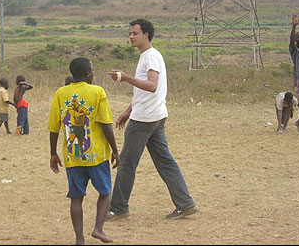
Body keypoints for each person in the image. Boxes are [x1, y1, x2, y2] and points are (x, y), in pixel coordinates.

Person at [106, 18, 198, 220]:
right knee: (165, 161)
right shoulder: (149, 56)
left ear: (146, 34)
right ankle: (185, 203)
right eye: (129, 33)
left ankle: (118, 208)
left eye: (135, 33)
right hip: (154, 115)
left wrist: (124, 77)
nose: (131, 36)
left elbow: (152, 86)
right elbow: (146, 92)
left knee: (127, 163)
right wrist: (129, 110)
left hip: (145, 119)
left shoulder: (150, 57)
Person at [48, 57, 120, 245]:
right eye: (93, 71)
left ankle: (79, 240)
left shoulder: (60, 94)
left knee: (76, 197)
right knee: (105, 193)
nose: (93, 74)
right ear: (87, 74)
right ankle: (98, 228)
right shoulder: (97, 92)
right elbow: (105, 124)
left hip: (73, 156)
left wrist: (53, 153)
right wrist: (115, 150)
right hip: (96, 155)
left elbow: (53, 127)